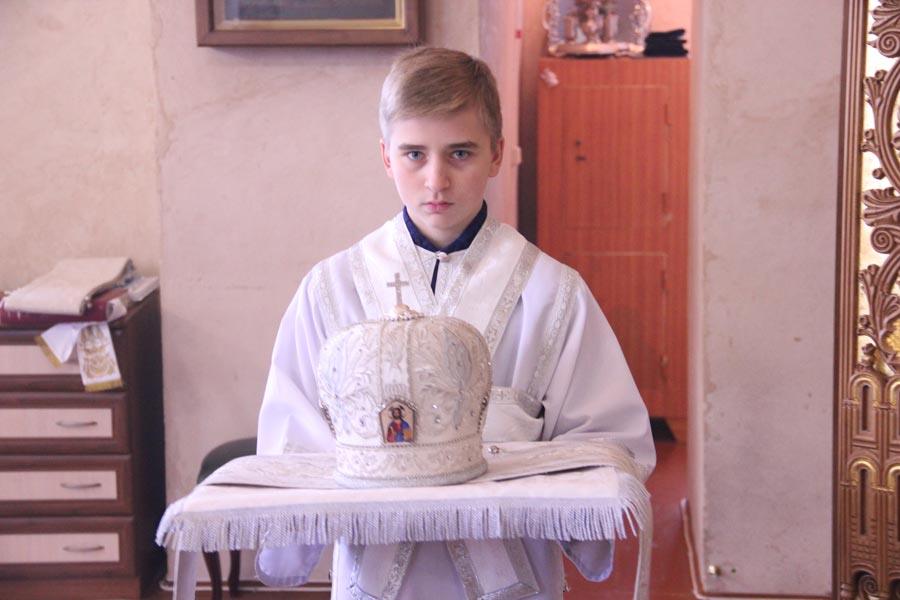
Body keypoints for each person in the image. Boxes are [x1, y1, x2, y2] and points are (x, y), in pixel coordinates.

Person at [255, 46, 655, 600]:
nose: (436, 180)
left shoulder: (551, 292)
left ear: (496, 154)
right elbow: (292, 441)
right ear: (386, 156)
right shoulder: (331, 289)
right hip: (377, 577)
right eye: (414, 154)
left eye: (460, 153)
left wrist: (501, 452)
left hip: (512, 572)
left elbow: (609, 441)